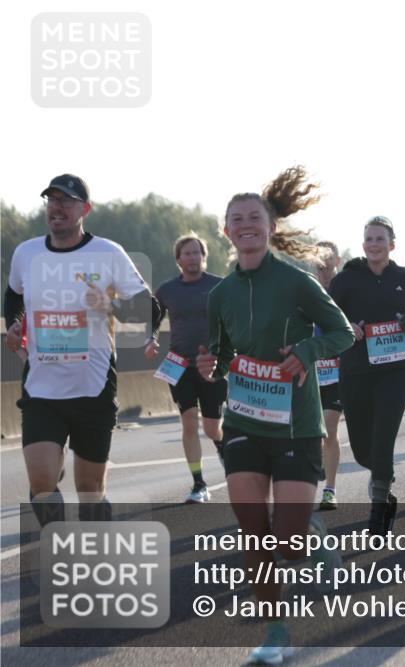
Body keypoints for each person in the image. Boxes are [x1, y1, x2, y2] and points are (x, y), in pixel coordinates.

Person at [196, 166, 355, 664]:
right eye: (237, 219)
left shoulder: (297, 282)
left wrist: (306, 351)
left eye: (254, 217)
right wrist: (210, 364)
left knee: (289, 544)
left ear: (270, 227)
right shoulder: (219, 295)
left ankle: (310, 533)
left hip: (295, 426)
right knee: (253, 529)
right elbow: (222, 355)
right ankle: (275, 631)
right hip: (244, 421)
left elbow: (342, 333)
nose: (245, 225)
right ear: (226, 231)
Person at [4, 175, 159, 527]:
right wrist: (14, 325)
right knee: (41, 485)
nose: (57, 207)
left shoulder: (108, 253)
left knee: (90, 490)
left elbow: (150, 310)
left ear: (84, 209)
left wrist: (111, 305)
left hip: (93, 389)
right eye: (52, 200)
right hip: (41, 389)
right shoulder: (27, 253)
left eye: (66, 201)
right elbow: (13, 294)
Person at [328, 216, 405, 533]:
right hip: (356, 370)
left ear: (392, 245)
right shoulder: (346, 279)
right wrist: (347, 326)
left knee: (384, 436)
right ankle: (384, 477)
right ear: (363, 245)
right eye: (369, 239)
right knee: (363, 448)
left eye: (380, 239)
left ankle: (379, 503)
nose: (374, 245)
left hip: (396, 370)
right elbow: (327, 315)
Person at [147, 233, 225, 504]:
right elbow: (153, 318)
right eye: (187, 253)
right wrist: (151, 340)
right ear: (178, 260)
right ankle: (199, 483)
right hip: (179, 364)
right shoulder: (167, 290)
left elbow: (235, 318)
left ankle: (223, 448)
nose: (193, 257)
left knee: (212, 428)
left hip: (212, 364)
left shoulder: (219, 286)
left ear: (204, 257)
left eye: (197, 253)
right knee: (189, 422)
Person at [315, 240, 343, 510]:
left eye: (328, 258)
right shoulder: (305, 290)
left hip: (339, 372)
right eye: (319, 258)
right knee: (313, 432)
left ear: (337, 261)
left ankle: (330, 489)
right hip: (311, 371)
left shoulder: (346, 289)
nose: (324, 263)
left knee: (329, 428)